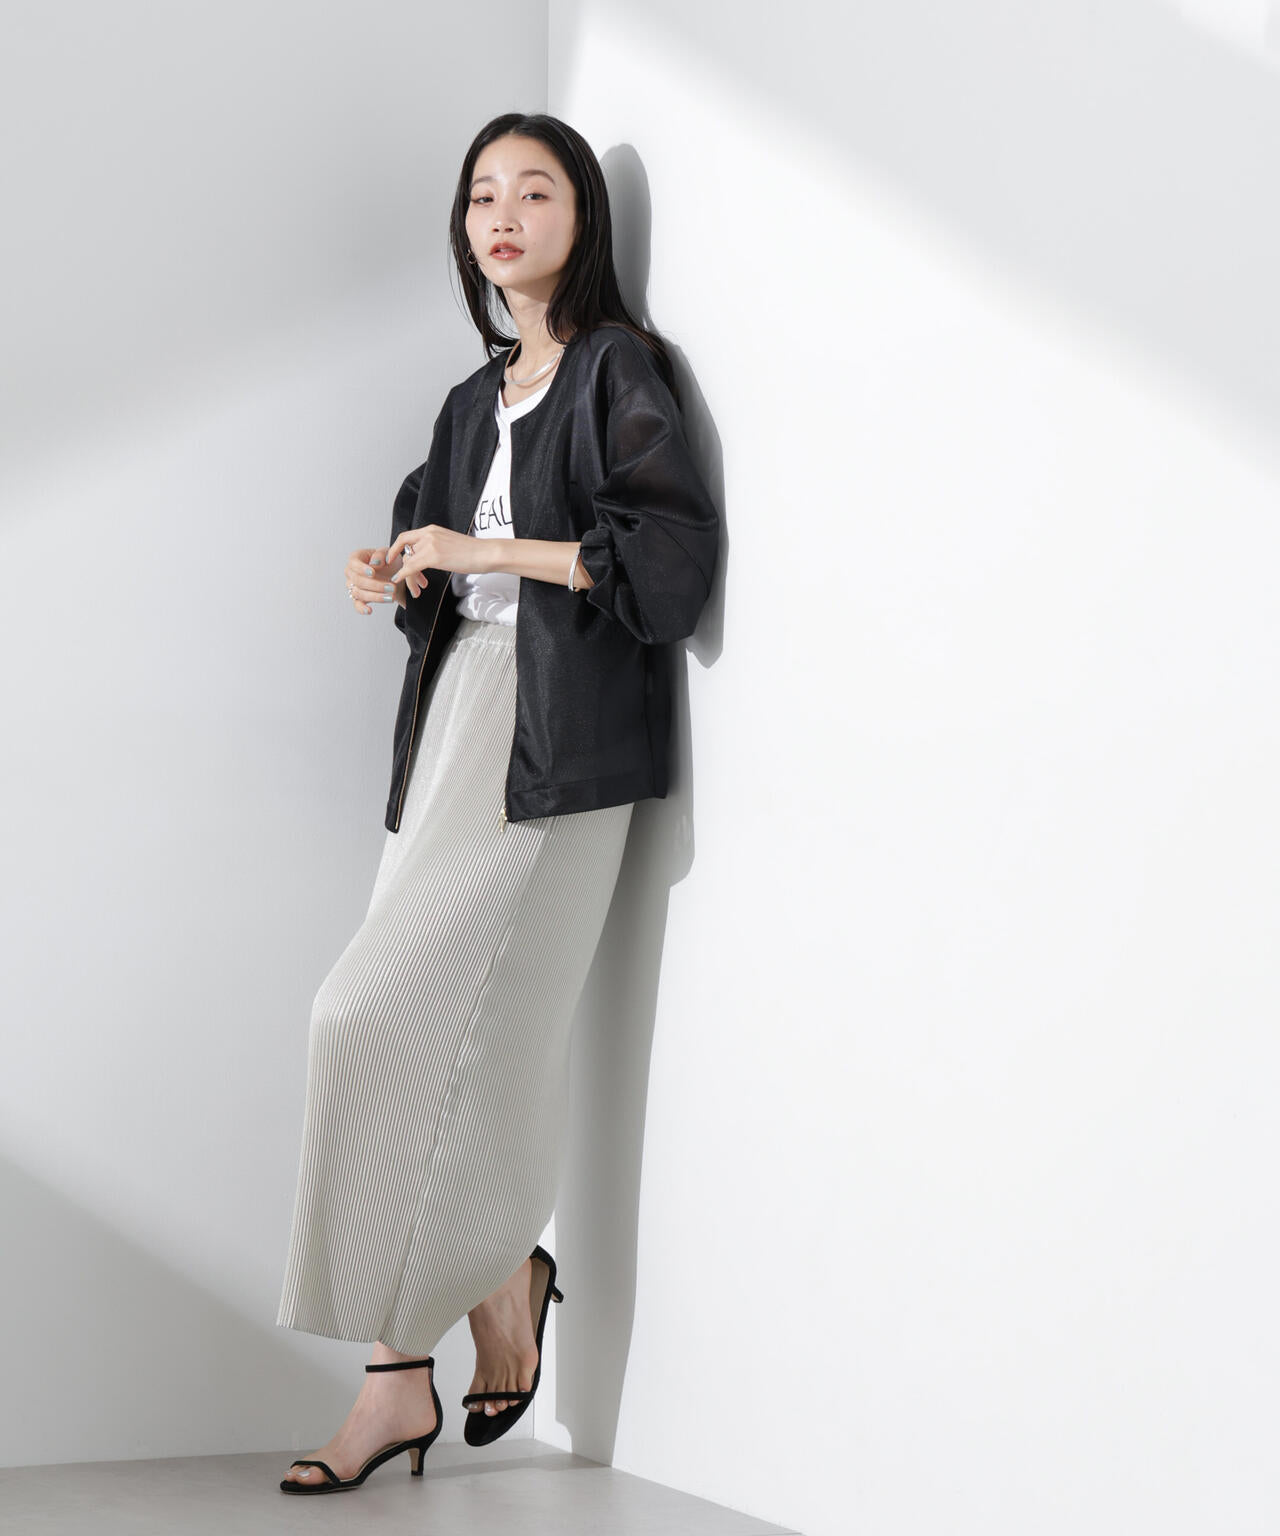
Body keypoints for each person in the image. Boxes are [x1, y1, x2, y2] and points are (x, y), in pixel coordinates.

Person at [275, 112, 719, 1495]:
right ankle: (456, 1318)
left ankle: (428, 1342)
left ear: (583, 217)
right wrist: (396, 568)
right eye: (483, 197)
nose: (505, 217)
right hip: (455, 730)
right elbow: (441, 561)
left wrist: (490, 552)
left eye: (535, 192)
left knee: (378, 1021)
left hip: (557, 744)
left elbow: (665, 566)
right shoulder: (475, 399)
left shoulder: (619, 371)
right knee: (432, 1043)